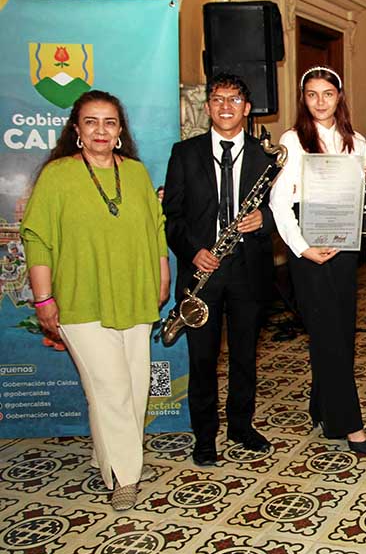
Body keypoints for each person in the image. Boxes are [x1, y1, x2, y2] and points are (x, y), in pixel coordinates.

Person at [21, 90, 170, 510]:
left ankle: (110, 458)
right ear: (76, 130)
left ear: (120, 131)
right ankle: (125, 477)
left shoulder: (136, 174)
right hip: (80, 300)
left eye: (109, 122)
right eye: (91, 122)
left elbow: (155, 229)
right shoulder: (58, 176)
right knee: (112, 390)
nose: (100, 130)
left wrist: (162, 274)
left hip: (135, 294)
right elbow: (37, 239)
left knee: (133, 389)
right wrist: (43, 299)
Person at [269, 66, 366, 455]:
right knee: (327, 333)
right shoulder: (292, 140)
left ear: (339, 97)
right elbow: (278, 201)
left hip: (344, 244)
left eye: (328, 94)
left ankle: (321, 405)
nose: (320, 101)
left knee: (339, 332)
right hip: (308, 244)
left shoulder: (358, 141)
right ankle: (349, 423)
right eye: (312, 94)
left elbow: (365, 201)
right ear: (304, 99)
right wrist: (301, 248)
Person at [163, 73, 275, 467]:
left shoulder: (266, 159)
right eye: (217, 99)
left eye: (234, 99)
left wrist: (264, 219)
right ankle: (205, 435)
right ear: (209, 106)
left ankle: (241, 426)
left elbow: (284, 212)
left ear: (247, 108)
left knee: (245, 355)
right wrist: (193, 252)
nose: (225, 106)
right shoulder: (185, 153)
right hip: (202, 271)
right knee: (203, 358)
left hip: (248, 269)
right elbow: (172, 216)